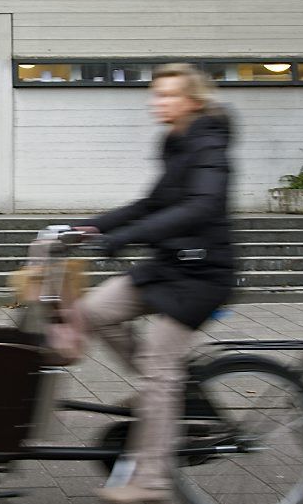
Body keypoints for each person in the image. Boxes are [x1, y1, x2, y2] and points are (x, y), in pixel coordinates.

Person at [72, 63, 234, 504]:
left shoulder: (210, 145)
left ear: (193, 101)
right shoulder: (174, 141)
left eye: (167, 95)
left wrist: (126, 238)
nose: (156, 102)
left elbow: (200, 208)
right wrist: (92, 227)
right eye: (155, 94)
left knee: (162, 369)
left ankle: (153, 481)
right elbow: (153, 203)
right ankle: (166, 391)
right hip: (169, 264)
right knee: (92, 311)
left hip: (202, 273)